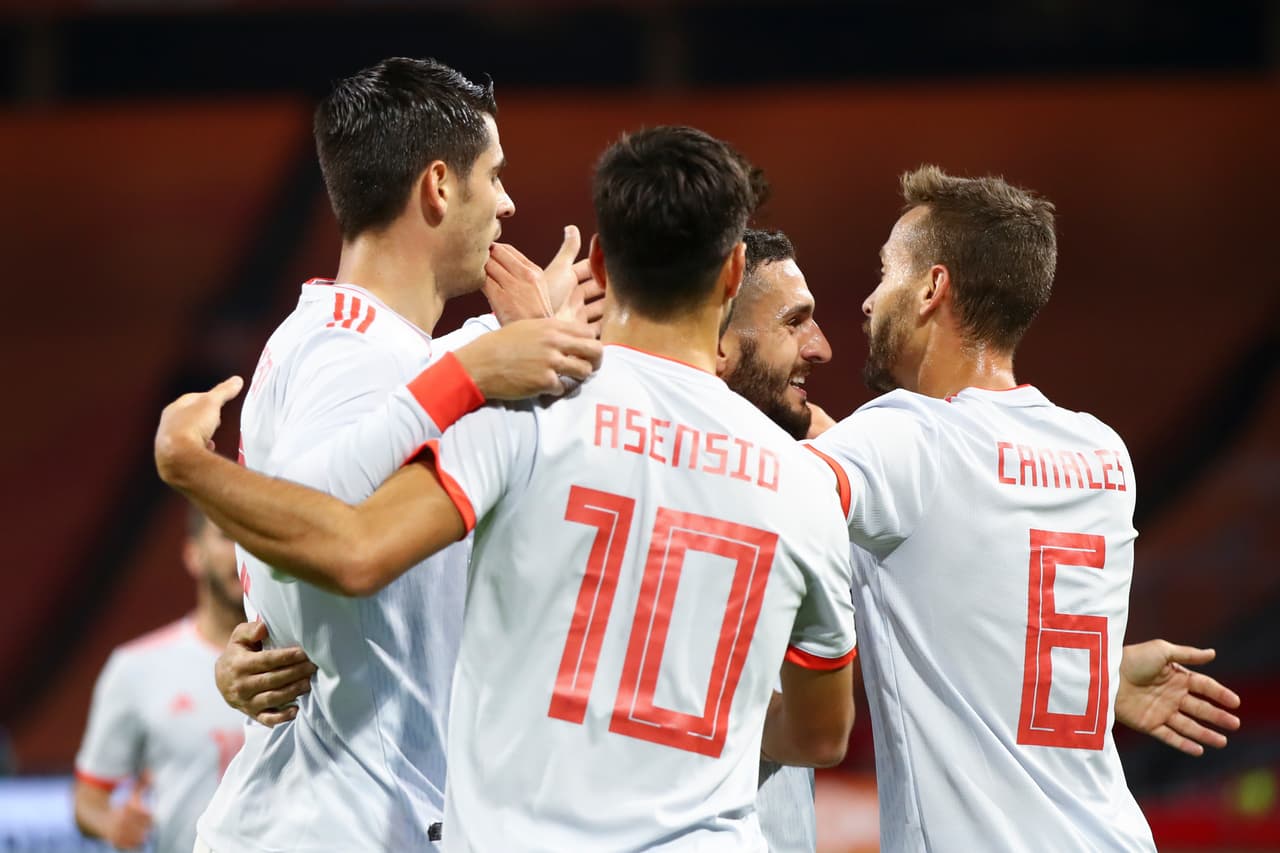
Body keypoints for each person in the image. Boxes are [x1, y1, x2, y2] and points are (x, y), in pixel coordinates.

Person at [154, 125, 860, 851]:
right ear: (735, 271)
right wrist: (698, 720)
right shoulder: (806, 482)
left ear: (597, 260)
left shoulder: (527, 411)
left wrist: (191, 465)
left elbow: (353, 549)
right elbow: (821, 730)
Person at [189, 56, 602, 853]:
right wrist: (474, 365)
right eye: (496, 175)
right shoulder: (350, 349)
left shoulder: (363, 343)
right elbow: (315, 519)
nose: (510, 202)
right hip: (330, 825)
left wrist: (506, 340)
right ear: (440, 187)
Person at [721, 227, 1242, 852]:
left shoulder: (904, 437)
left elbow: (782, 493)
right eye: (794, 322)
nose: (856, 312)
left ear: (932, 288)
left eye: (885, 273)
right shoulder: (1099, 448)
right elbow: (973, 571)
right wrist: (1076, 675)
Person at [73, 506, 246, 853]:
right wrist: (113, 824)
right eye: (227, 536)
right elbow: (86, 802)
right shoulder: (136, 668)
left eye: (257, 538)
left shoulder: (311, 658)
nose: (243, 551)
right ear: (193, 554)